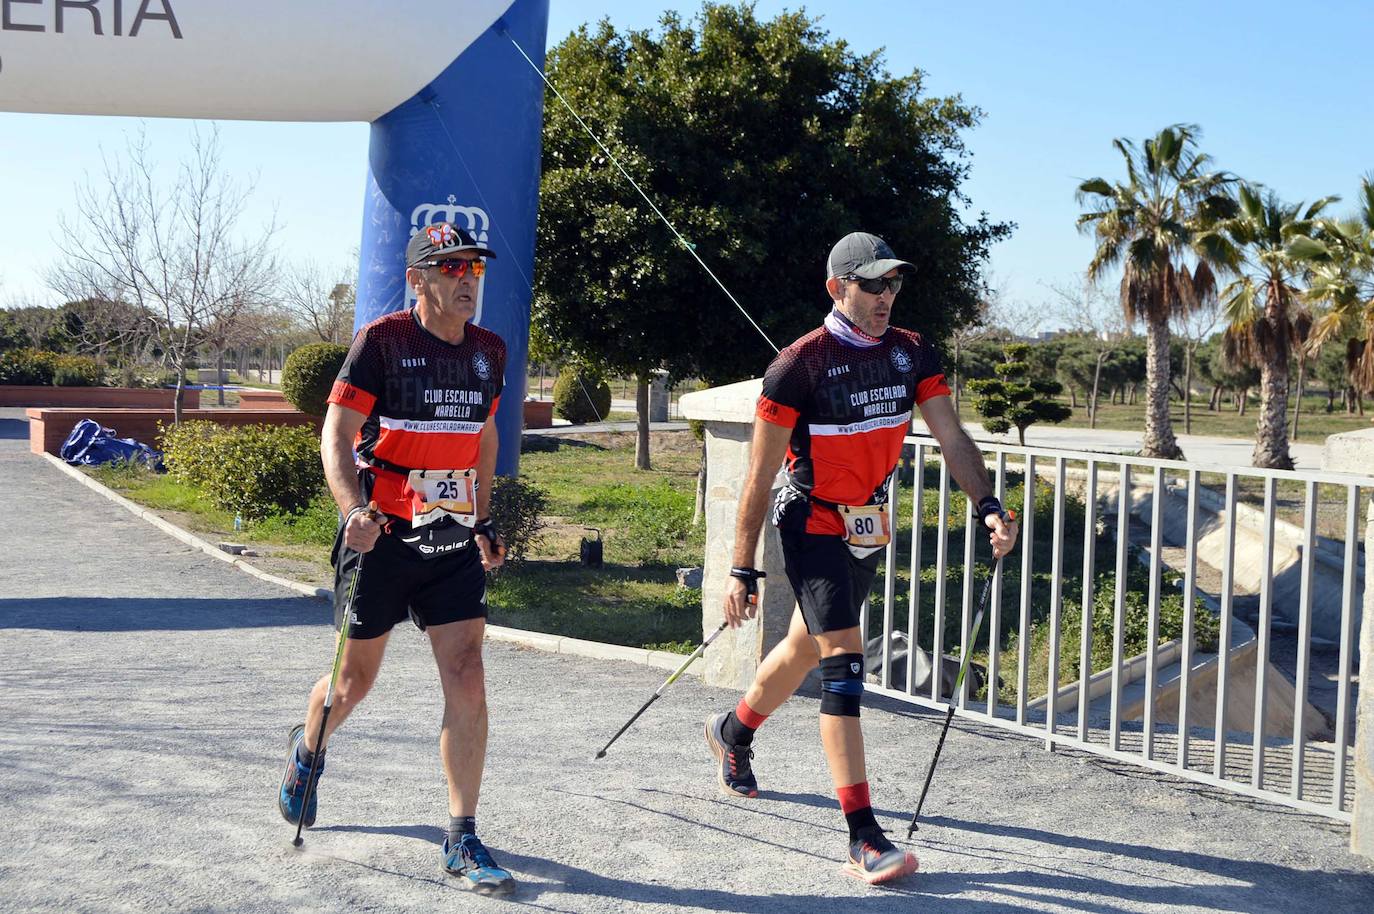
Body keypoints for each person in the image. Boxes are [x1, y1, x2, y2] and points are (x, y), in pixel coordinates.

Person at [705, 231, 1019, 885]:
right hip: (811, 520)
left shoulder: (910, 353)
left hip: (866, 526)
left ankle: (732, 732)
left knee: (803, 648)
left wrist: (987, 503)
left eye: (893, 283)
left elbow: (952, 436)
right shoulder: (798, 366)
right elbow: (759, 478)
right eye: (872, 283)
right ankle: (863, 836)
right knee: (845, 665)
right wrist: (743, 567)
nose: (886, 296)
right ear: (837, 288)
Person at [277, 222, 516, 895]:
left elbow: (486, 437)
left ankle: (461, 835)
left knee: (468, 675)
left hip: (449, 538)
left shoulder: (489, 351)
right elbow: (338, 433)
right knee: (352, 685)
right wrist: (352, 510)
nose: (467, 279)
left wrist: (484, 517)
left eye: (473, 268)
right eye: (451, 269)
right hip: (383, 536)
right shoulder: (382, 342)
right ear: (419, 279)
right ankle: (308, 750)